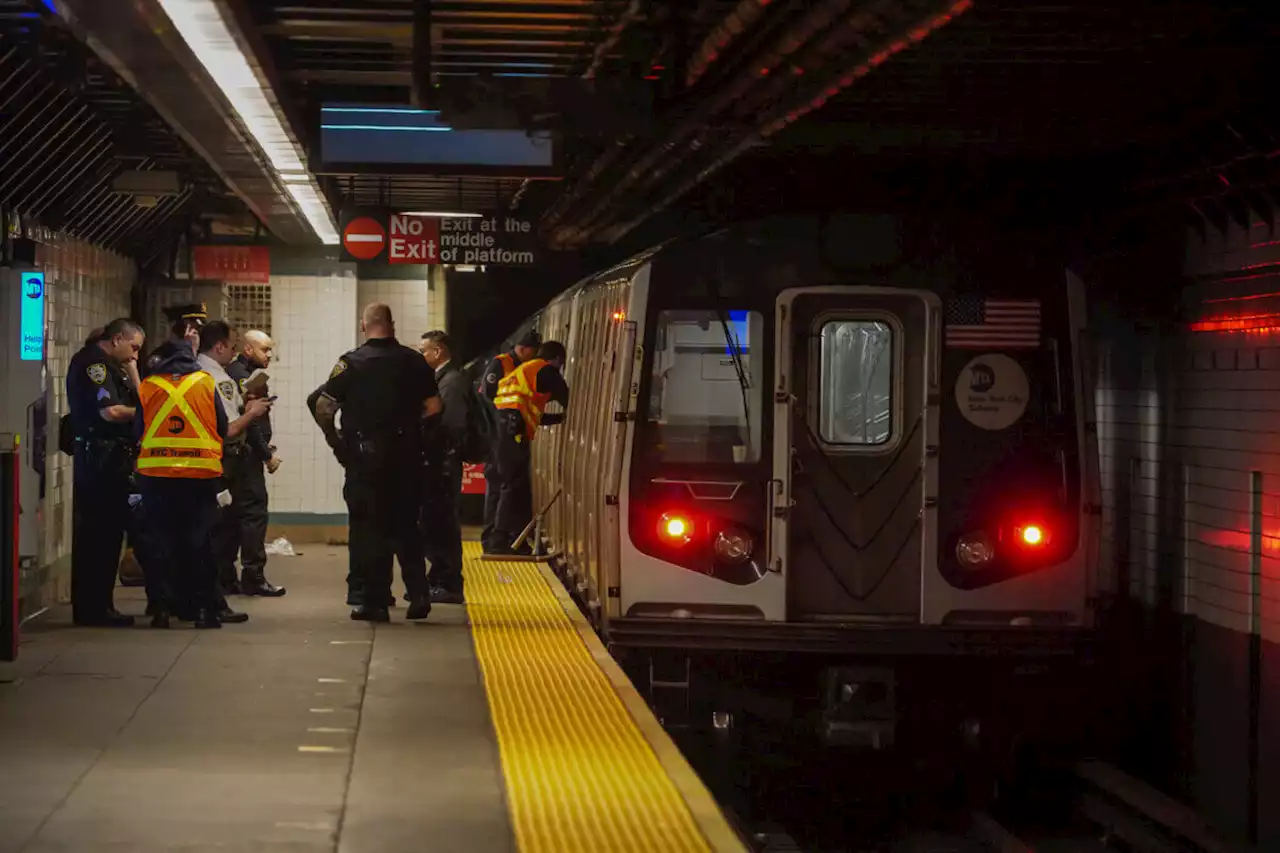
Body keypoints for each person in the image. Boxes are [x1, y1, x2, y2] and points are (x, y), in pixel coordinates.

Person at [311, 303, 441, 622]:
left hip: (365, 458)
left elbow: (323, 408)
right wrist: (414, 434)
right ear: (392, 324)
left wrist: (337, 443)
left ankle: (376, 601)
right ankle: (419, 593)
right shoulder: (414, 361)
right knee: (406, 525)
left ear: (363, 325)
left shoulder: (350, 363)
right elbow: (435, 407)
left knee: (371, 528)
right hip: (407, 457)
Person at [135, 327, 271, 628]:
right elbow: (222, 428)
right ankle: (204, 611)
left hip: (156, 477)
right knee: (199, 543)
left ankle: (160, 608)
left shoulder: (149, 386)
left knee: (161, 542)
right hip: (198, 476)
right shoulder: (204, 383)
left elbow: (137, 429)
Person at [66, 318, 146, 626]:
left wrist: (133, 370)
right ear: (117, 340)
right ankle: (92, 608)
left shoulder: (114, 366)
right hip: (99, 460)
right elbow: (110, 411)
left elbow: (139, 399)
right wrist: (148, 413)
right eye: (133, 348)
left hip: (111, 459)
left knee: (110, 535)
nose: (134, 355)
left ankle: (100, 604)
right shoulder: (94, 366)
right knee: (98, 536)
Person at [197, 321, 273, 624]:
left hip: (184, 464)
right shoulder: (219, 378)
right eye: (231, 346)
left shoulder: (189, 374)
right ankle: (213, 600)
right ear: (219, 347)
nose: (233, 351)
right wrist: (252, 412)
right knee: (220, 528)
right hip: (220, 460)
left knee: (209, 530)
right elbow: (228, 430)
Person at [490, 340, 569, 556]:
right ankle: (499, 541)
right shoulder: (546, 371)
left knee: (515, 487)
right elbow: (568, 397)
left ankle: (515, 539)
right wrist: (571, 414)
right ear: (556, 360)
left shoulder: (525, 371)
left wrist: (559, 418)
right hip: (513, 435)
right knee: (512, 487)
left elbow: (529, 411)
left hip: (503, 434)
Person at [225, 329, 285, 597]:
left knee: (231, 517)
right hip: (245, 456)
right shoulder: (244, 377)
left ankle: (225, 577)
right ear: (248, 349)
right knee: (253, 514)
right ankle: (253, 576)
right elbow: (251, 424)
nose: (269, 355)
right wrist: (266, 454)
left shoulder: (240, 373)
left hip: (239, 455)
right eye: (265, 349)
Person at [478, 329, 540, 553]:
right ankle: (492, 539)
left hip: (511, 437)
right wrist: (499, 427)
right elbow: (487, 399)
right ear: (523, 349)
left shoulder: (522, 367)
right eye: (532, 353)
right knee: (498, 486)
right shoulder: (500, 364)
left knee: (511, 488)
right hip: (498, 437)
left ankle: (509, 537)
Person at [420, 331, 467, 604]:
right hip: (441, 463)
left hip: (444, 465)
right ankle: (439, 578)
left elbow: (451, 425)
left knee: (444, 525)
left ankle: (448, 583)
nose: (421, 356)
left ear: (438, 352)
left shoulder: (451, 382)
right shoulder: (446, 379)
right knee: (436, 523)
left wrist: (439, 455)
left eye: (424, 350)